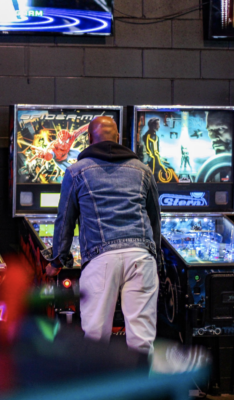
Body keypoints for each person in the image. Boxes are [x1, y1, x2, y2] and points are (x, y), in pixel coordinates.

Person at [44, 116, 162, 354]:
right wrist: (156, 258)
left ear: (89, 139)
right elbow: (154, 218)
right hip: (141, 257)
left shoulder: (76, 171)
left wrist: (57, 260)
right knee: (142, 341)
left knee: (96, 339)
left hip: (101, 258)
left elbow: (64, 220)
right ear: (119, 139)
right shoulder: (143, 170)